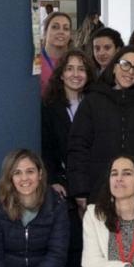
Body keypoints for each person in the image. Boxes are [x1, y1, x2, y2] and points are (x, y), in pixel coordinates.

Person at [67, 46, 134, 202]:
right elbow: (78, 147)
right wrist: (80, 190)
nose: (130, 71)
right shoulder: (93, 101)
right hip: (98, 190)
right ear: (114, 67)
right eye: (125, 64)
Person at [41, 48, 91, 200]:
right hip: (63, 184)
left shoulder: (96, 103)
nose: (76, 74)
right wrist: (53, 180)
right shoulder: (48, 107)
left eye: (81, 69)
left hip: (93, 181)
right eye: (69, 69)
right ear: (61, 75)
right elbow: (47, 148)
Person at [37, 11, 73, 91]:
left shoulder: (76, 61)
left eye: (66, 28)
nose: (61, 32)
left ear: (70, 35)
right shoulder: (35, 61)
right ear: (45, 32)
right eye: (55, 27)